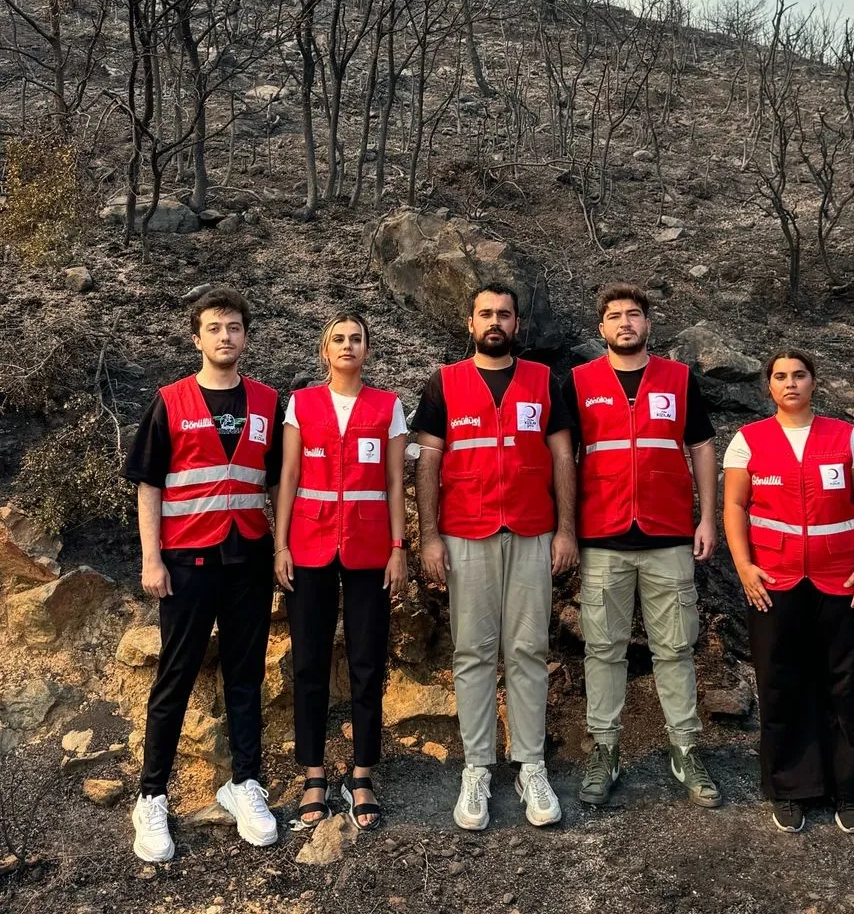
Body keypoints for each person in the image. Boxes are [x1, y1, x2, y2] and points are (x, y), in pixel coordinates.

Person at [125, 287, 284, 863]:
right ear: (197, 337)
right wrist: (150, 559)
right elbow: (150, 483)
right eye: (214, 327)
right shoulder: (169, 401)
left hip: (248, 560)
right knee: (176, 677)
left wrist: (282, 546)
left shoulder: (268, 402)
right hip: (187, 562)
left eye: (235, 327)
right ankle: (152, 795)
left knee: (245, 675)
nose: (225, 336)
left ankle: (245, 783)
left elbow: (276, 485)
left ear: (246, 335)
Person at [413, 283, 578, 831]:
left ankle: (530, 763)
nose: (495, 321)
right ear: (470, 323)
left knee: (529, 648)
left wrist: (566, 532)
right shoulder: (444, 383)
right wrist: (430, 537)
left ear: (517, 324)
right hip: (466, 533)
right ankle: (477, 766)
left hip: (532, 531)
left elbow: (562, 458)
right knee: (474, 651)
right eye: (485, 313)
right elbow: (428, 463)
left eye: (504, 314)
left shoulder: (544, 382)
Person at [562, 283, 721, 809]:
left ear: (648, 324)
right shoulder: (580, 382)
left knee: (675, 647)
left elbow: (700, 446)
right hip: (603, 536)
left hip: (668, 532)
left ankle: (684, 747)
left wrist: (707, 519)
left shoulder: (678, 379)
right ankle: (604, 749)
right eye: (614, 316)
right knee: (602, 649)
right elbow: (564, 457)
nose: (625, 323)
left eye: (634, 315)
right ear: (601, 328)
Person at [722, 349, 854, 835]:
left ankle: (850, 787)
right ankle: (791, 787)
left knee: (845, 683)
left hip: (842, 581)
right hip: (773, 583)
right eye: (779, 376)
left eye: (799, 375)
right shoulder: (747, 442)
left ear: (814, 382)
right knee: (779, 682)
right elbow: (734, 505)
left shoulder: (848, 438)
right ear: (768, 386)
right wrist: (744, 567)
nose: (789, 383)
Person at [273, 312, 408, 832]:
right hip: (308, 545)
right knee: (308, 663)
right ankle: (313, 777)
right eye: (338, 339)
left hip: (370, 548)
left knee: (367, 662)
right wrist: (280, 544)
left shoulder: (388, 406)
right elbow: (287, 475)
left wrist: (398, 548)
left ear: (368, 350)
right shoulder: (302, 403)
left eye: (356, 339)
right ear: (324, 351)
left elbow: (396, 482)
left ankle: (362, 775)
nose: (348, 346)